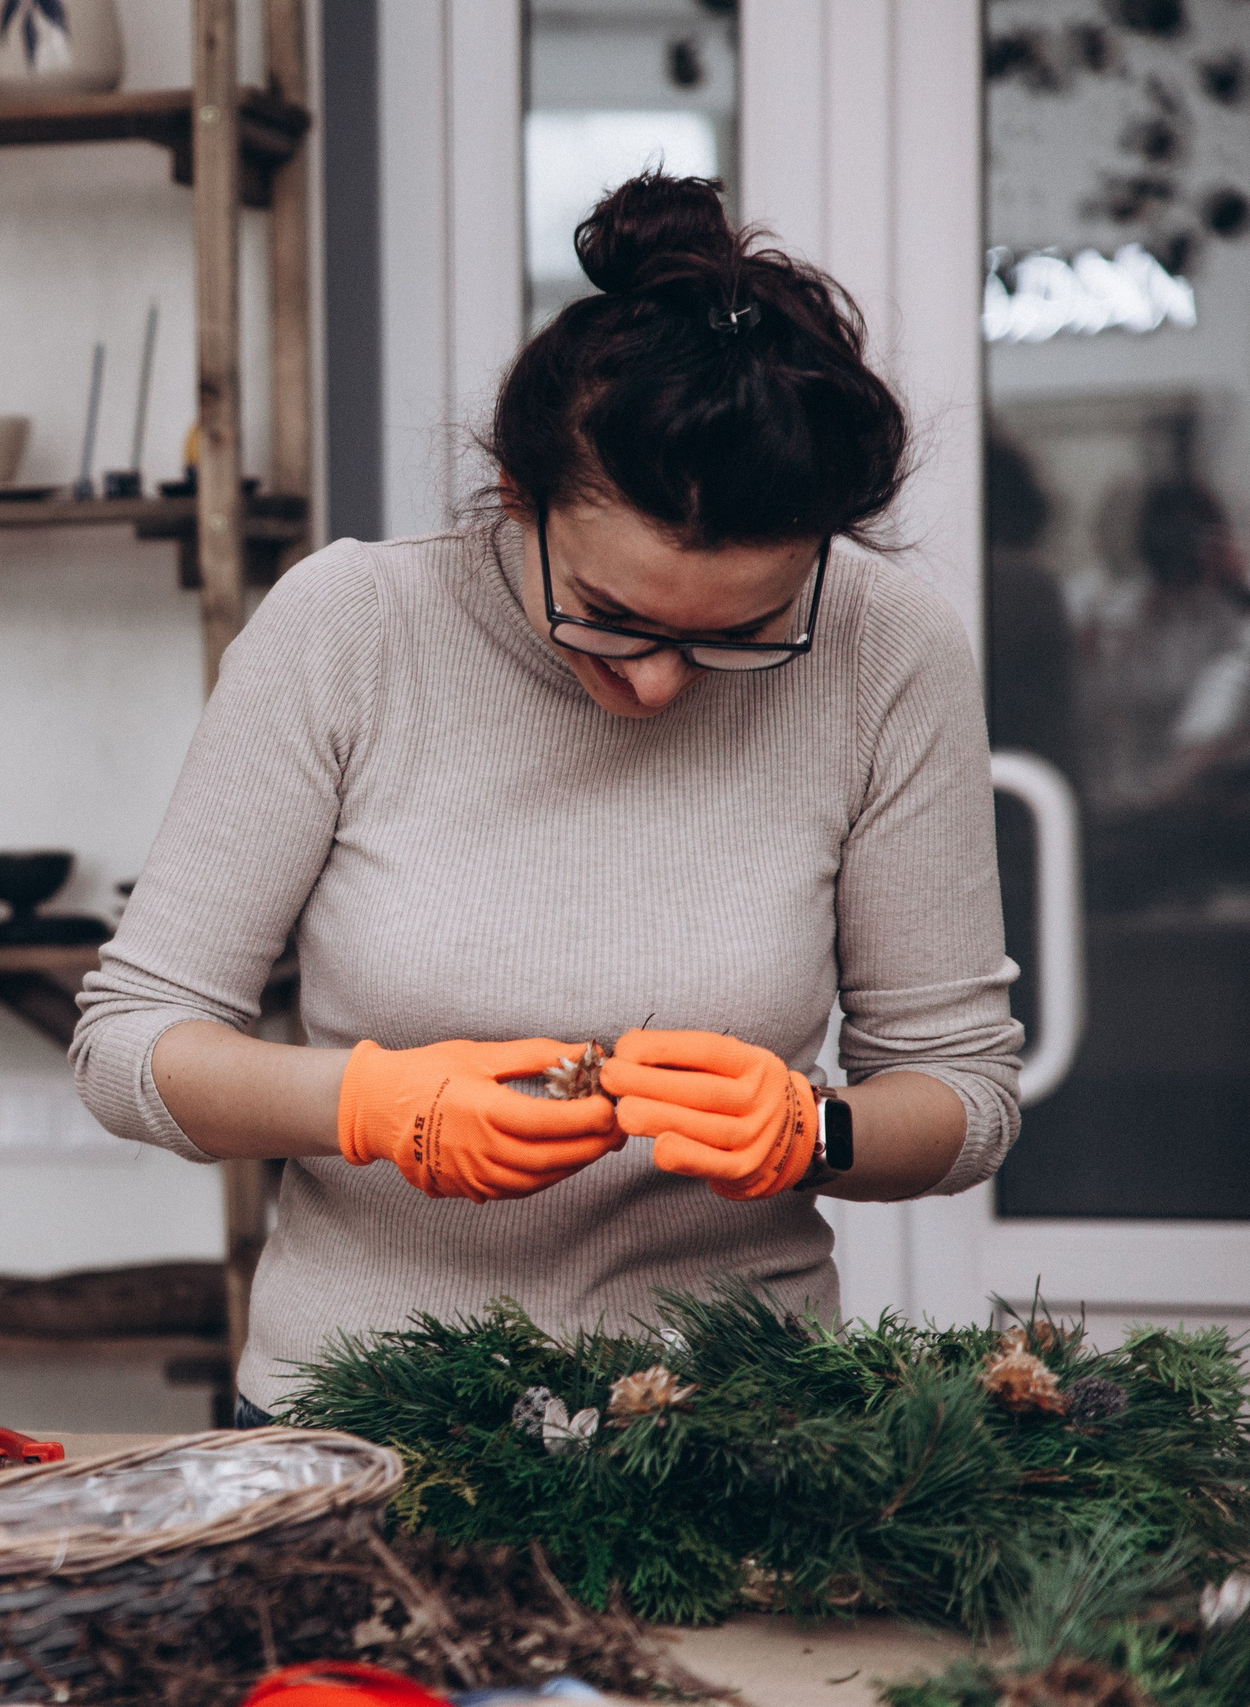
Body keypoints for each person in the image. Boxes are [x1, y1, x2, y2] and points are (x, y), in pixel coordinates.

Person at [72, 174, 1022, 1422]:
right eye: (611, 617)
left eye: (740, 633)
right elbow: (129, 1045)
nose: (658, 684)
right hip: (367, 1416)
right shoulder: (348, 627)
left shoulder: (883, 650)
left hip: (731, 1421)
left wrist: (817, 1133)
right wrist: (370, 1106)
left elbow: (965, 1097)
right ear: (516, 499)